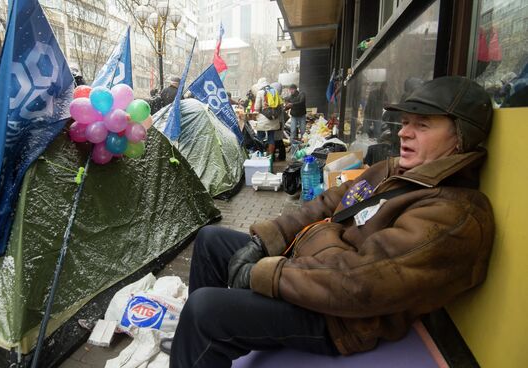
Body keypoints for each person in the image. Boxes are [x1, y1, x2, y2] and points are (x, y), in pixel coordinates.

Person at [167, 76, 495, 367]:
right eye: (406, 122)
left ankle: (200, 338)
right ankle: (199, 352)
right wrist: (264, 241)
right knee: (210, 240)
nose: (405, 133)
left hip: (340, 319)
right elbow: (327, 202)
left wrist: (266, 274)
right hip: (311, 269)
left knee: (203, 312)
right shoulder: (395, 171)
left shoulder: (454, 213)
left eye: (422, 126)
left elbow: (360, 283)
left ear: (460, 139)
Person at [254, 77, 283, 156]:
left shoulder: (260, 92)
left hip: (263, 119)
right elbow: (280, 105)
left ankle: (260, 155)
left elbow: (257, 107)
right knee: (271, 138)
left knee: (260, 137)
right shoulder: (275, 91)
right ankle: (270, 156)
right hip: (274, 119)